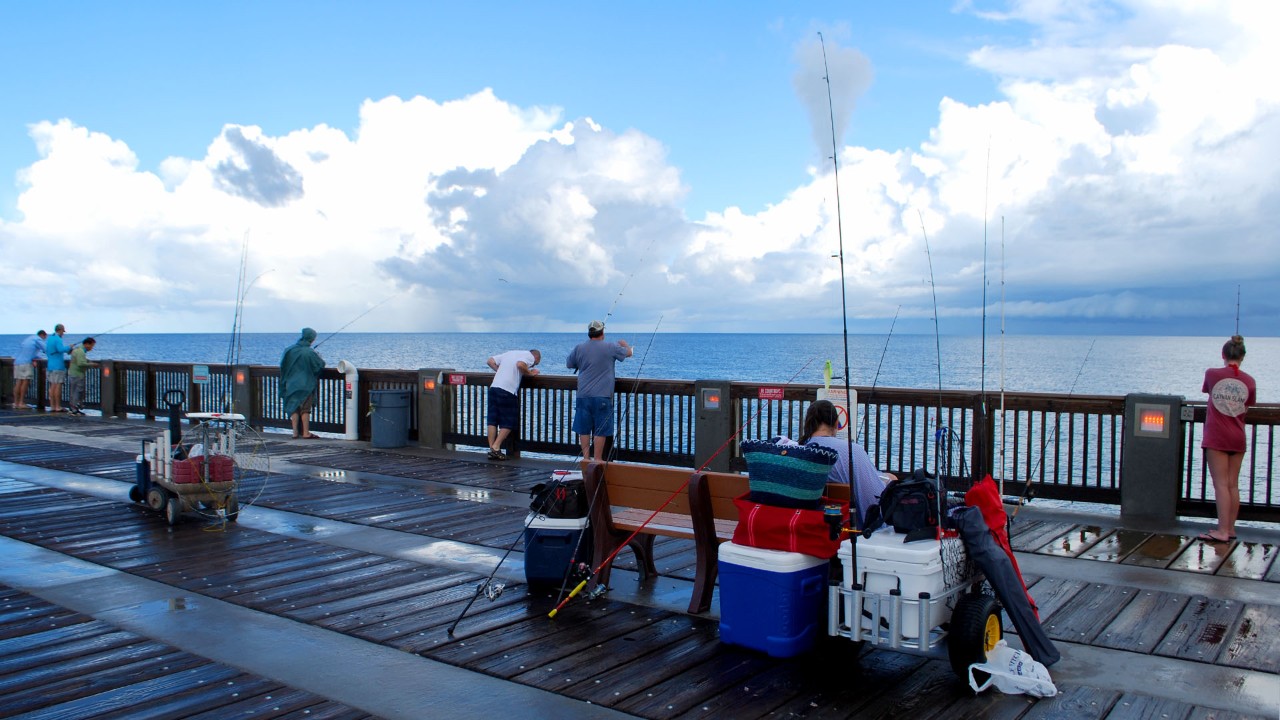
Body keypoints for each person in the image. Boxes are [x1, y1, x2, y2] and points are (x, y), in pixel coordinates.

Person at [1199, 335, 1256, 543]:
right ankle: (1230, 528)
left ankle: (1222, 531)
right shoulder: (1250, 381)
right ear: (1243, 357)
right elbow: (1246, 407)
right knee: (1232, 485)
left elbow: (1208, 391)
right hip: (1238, 436)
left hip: (1217, 436)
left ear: (1223, 354)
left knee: (1221, 485)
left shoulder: (1212, 374)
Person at [799, 399, 891, 527]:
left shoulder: (799, 451)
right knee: (891, 479)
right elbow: (873, 497)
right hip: (855, 529)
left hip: (816, 525)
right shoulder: (852, 451)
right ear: (836, 423)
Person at [566, 320, 632, 463]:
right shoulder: (610, 346)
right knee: (600, 429)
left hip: (583, 395)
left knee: (583, 428)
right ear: (602, 332)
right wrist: (624, 344)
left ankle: (585, 459)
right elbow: (629, 353)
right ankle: (597, 459)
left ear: (589, 333)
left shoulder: (579, 347)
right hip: (602, 396)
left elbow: (569, 364)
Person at [485, 348, 541, 460]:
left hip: (494, 387)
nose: (532, 365)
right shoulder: (529, 356)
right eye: (535, 364)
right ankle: (496, 447)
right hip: (507, 390)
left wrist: (500, 372)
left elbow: (490, 361)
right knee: (510, 421)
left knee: (492, 420)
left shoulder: (510, 353)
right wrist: (530, 373)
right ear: (536, 358)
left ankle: (492, 450)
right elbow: (520, 365)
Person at [280, 328, 325, 439]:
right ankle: (306, 432)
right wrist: (319, 356)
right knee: (305, 409)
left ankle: (295, 432)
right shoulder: (310, 352)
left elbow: (283, 366)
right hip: (306, 385)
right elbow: (319, 366)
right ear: (311, 338)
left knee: (294, 408)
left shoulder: (289, 350)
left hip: (291, 384)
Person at [12, 330, 47, 410]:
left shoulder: (28, 339)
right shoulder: (38, 339)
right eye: (44, 338)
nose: (44, 340)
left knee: (18, 382)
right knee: (25, 382)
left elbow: (29, 351)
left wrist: (35, 358)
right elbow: (46, 349)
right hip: (26, 363)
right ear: (42, 335)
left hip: (17, 362)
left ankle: (16, 403)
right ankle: (21, 403)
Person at [66, 337, 97, 415]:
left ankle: (72, 408)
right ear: (87, 344)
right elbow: (80, 363)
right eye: (92, 346)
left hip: (72, 373)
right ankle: (74, 408)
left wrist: (87, 360)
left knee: (73, 391)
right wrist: (91, 364)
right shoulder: (81, 351)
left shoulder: (77, 349)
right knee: (77, 391)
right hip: (77, 374)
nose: (92, 348)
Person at [44, 324, 71, 413]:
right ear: (60, 330)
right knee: (57, 386)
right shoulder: (58, 339)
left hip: (50, 366)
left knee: (52, 386)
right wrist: (69, 347)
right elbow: (60, 349)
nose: (63, 333)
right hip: (58, 366)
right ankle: (58, 406)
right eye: (63, 331)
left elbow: (46, 350)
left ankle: (52, 406)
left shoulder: (50, 339)